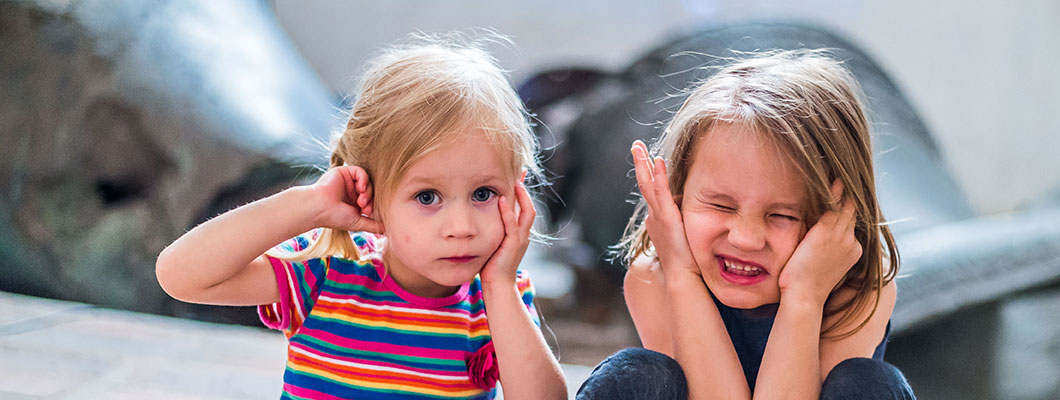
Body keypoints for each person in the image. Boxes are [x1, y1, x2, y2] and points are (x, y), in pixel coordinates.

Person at [156, 33, 567, 400]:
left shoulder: (497, 298)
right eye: (427, 197)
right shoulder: (326, 271)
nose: (461, 227)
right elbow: (181, 276)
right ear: (370, 193)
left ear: (516, 192)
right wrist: (307, 205)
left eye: (483, 193)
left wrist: (499, 287)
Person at [576, 49, 915, 400]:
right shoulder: (654, 279)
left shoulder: (857, 294)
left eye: (783, 215)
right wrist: (682, 275)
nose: (745, 238)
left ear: (840, 216)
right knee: (636, 376)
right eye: (720, 205)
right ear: (677, 195)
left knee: (869, 383)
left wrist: (804, 297)